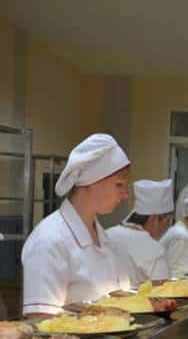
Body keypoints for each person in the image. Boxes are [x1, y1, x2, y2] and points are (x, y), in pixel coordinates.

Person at [21, 134, 131, 316]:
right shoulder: (49, 241)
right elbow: (40, 320)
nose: (125, 194)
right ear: (92, 183)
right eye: (119, 184)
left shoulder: (106, 241)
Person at [105, 179, 174, 285]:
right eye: (168, 220)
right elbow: (163, 293)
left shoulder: (106, 234)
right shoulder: (155, 250)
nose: (168, 226)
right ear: (154, 219)